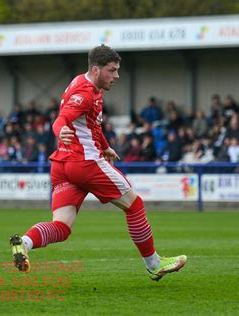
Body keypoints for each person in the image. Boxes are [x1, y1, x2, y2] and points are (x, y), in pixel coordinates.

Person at [10, 45, 186, 281]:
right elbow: (61, 119)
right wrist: (61, 130)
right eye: (112, 71)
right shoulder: (84, 94)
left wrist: (104, 145)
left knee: (62, 227)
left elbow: (91, 123)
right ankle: (154, 264)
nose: (117, 76)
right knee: (134, 205)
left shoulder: (82, 83)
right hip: (85, 163)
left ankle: (25, 242)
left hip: (62, 165)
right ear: (96, 69)